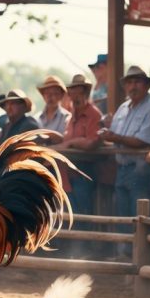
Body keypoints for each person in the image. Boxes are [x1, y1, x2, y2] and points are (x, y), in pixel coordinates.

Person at [98, 65, 150, 257]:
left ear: (146, 85)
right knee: (124, 215)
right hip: (123, 167)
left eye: (137, 82)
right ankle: (126, 255)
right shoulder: (123, 108)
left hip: (140, 168)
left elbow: (144, 140)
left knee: (139, 216)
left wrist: (114, 137)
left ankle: (139, 257)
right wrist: (109, 133)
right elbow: (116, 135)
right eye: (129, 82)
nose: (133, 86)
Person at [54, 74, 102, 218]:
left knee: (82, 213)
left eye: (79, 93)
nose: (75, 97)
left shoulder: (94, 114)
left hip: (84, 171)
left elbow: (92, 142)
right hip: (68, 173)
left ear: (86, 93)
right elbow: (69, 139)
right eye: (72, 93)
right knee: (71, 214)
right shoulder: (71, 116)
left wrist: (70, 143)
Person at [0, 89, 40, 153]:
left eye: (13, 103)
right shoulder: (7, 126)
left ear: (23, 106)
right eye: (7, 104)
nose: (9, 107)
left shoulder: (29, 125)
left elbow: (16, 149)